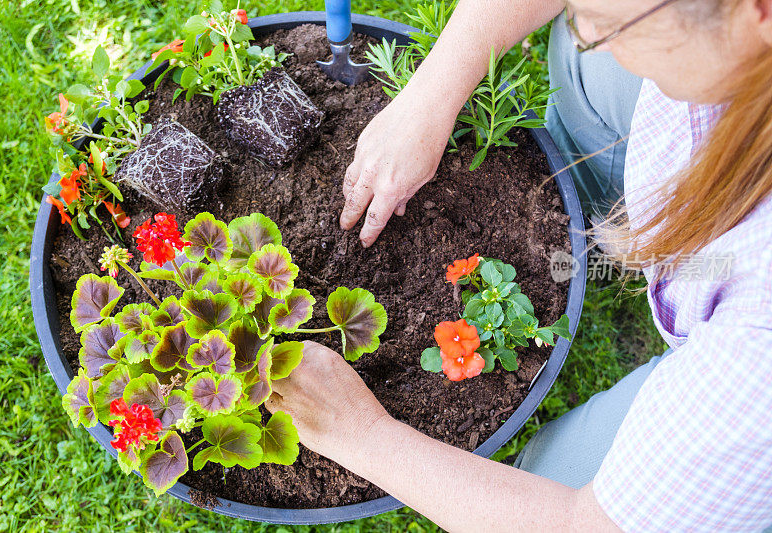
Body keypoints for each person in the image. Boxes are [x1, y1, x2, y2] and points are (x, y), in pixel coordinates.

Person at [265, 0, 772, 530]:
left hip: (738, 373)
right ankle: (596, 244)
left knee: (552, 471)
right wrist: (429, 98)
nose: (581, 27)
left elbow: (584, 525)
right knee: (584, 66)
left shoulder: (757, 350)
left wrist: (360, 433)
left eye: (613, 24)